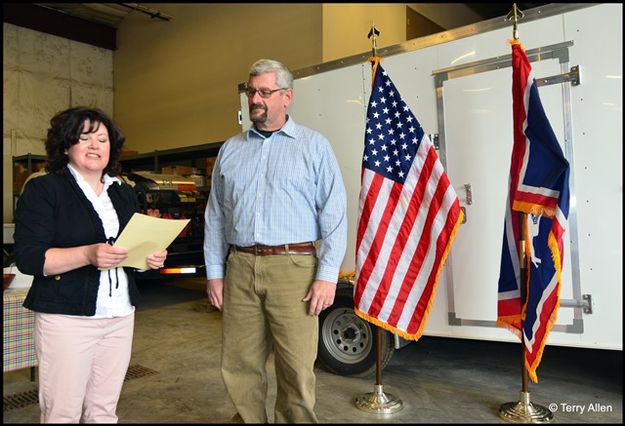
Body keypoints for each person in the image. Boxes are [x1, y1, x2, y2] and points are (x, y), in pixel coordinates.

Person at [204, 59, 348, 423]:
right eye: (251, 91)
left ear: (287, 97)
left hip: (295, 269)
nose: (255, 99)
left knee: (296, 368)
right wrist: (214, 273)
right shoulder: (231, 150)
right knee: (240, 365)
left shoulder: (314, 147)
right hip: (240, 266)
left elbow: (334, 214)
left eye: (264, 92)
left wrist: (327, 275)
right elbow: (216, 215)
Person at [13, 106, 168, 423]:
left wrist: (148, 259)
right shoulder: (45, 189)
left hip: (120, 314)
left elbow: (130, 248)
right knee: (62, 413)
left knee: (103, 411)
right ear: (66, 145)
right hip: (67, 319)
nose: (96, 145)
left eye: (103, 138)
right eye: (85, 138)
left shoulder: (122, 191)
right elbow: (29, 257)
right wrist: (87, 254)